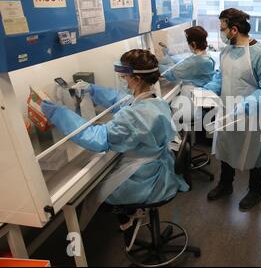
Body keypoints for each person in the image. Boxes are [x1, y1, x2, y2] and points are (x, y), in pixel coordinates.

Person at [41, 49, 189, 245]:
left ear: (136, 79)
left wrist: (58, 113)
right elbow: (120, 100)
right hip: (160, 167)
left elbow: (96, 138)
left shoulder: (134, 116)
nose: (122, 80)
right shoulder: (155, 101)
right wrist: (92, 90)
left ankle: (129, 214)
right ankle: (131, 213)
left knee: (96, 193)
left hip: (147, 180)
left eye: (125, 77)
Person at [204, 8, 261, 211]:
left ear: (234, 29)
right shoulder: (226, 51)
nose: (221, 33)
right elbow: (220, 77)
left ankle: (256, 191)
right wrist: (206, 91)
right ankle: (225, 185)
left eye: (222, 28)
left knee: (254, 153)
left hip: (253, 114)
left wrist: (246, 106)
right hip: (227, 111)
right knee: (227, 147)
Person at [161, 26, 216, 124]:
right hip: (199, 101)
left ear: (193, 44)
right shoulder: (204, 57)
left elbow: (170, 73)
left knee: (164, 111)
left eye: (187, 43)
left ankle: (179, 137)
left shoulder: (196, 62)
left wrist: (154, 64)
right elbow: (182, 62)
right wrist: (169, 53)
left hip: (191, 106)